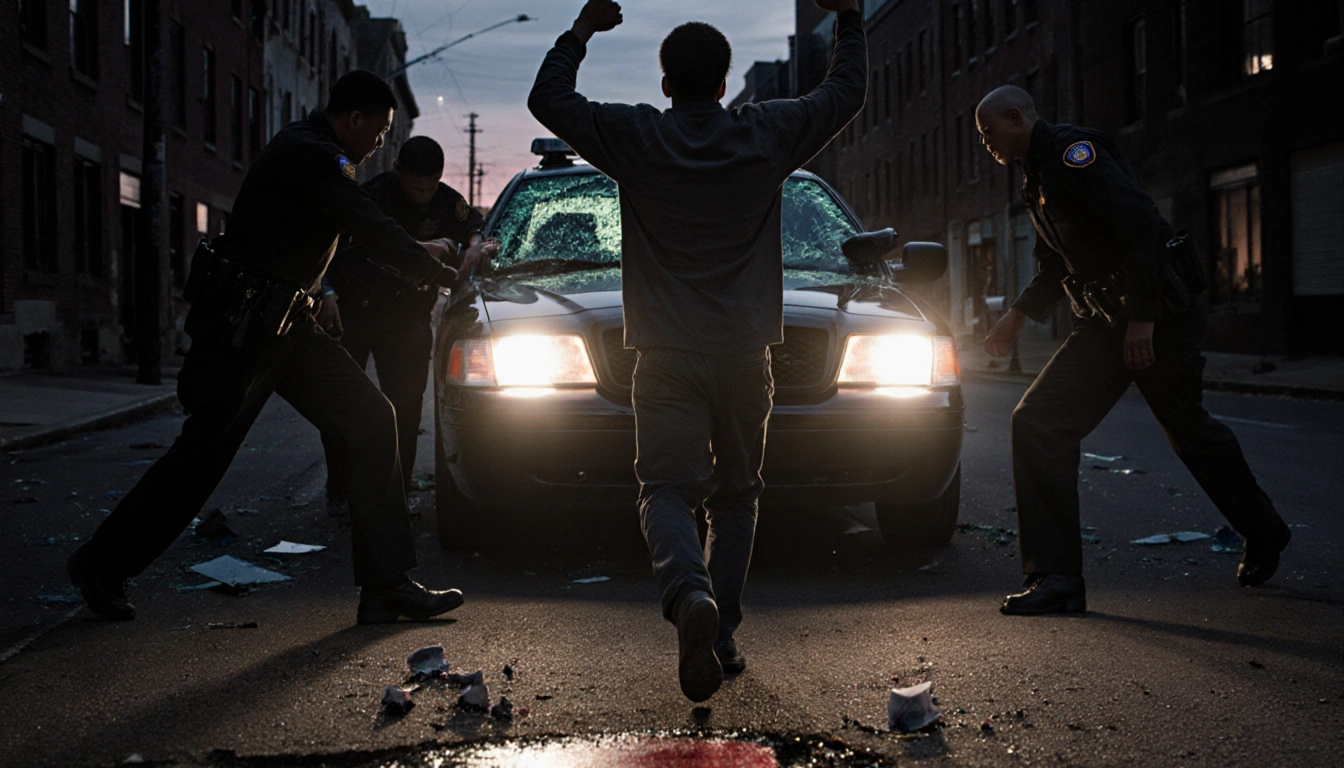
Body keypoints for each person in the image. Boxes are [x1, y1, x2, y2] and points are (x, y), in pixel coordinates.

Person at [528, 0, 866, 701]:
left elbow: (547, 99)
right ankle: (721, 633)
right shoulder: (767, 133)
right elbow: (845, 93)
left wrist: (582, 31)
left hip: (666, 352)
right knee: (737, 494)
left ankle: (689, 597)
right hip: (745, 351)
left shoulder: (636, 135)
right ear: (723, 83)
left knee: (666, 490)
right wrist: (851, 21)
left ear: (664, 83)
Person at [68, 72, 473, 625]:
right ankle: (99, 565)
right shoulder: (311, 153)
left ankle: (386, 586)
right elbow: (364, 221)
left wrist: (327, 290)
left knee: (373, 420)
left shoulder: (321, 156)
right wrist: (440, 273)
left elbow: (335, 234)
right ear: (353, 120)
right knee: (200, 460)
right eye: (379, 130)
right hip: (247, 328)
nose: (380, 142)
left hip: (291, 326)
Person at [974, 85, 1291, 616]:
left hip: (1157, 314)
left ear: (1016, 116)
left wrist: (1142, 318)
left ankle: (1265, 531)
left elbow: (1141, 223)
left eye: (989, 133)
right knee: (1037, 421)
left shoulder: (1076, 155)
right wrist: (1019, 314)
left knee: (1188, 432)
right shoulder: (1035, 177)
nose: (987, 145)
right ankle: (1057, 579)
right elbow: (1059, 261)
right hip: (1100, 322)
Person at [317, 136, 496, 515]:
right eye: (417, 187)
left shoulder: (448, 201)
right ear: (398, 171)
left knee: (405, 408)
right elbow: (330, 245)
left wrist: (476, 243)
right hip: (356, 310)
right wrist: (327, 293)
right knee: (342, 406)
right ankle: (340, 487)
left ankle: (395, 493)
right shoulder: (369, 196)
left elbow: (474, 225)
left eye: (431, 186)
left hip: (408, 318)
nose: (424, 195)